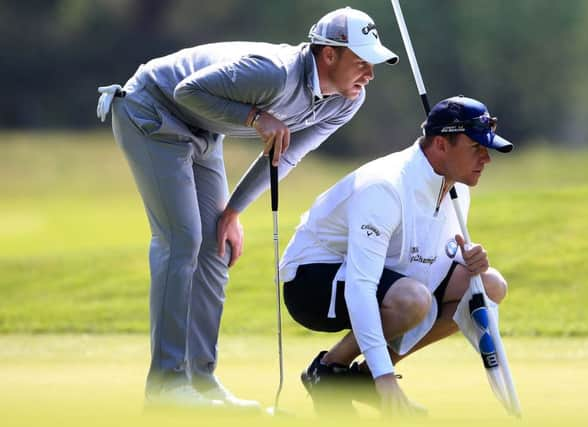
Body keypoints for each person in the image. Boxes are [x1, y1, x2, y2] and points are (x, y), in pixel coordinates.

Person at [95, 7, 398, 408]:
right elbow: (187, 91)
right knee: (182, 240)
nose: (369, 74)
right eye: (362, 62)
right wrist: (256, 117)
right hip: (150, 109)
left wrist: (232, 212)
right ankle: (166, 386)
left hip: (203, 131)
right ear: (329, 55)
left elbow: (285, 156)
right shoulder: (275, 72)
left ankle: (201, 381)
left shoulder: (345, 100)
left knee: (215, 247)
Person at [279, 95, 514, 417]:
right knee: (414, 300)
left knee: (488, 285)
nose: (486, 158)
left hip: (382, 275)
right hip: (312, 281)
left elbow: (426, 262)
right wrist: (385, 376)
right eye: (476, 147)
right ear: (442, 145)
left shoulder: (458, 190)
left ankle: (358, 381)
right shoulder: (385, 186)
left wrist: (465, 261)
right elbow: (362, 285)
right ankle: (330, 369)